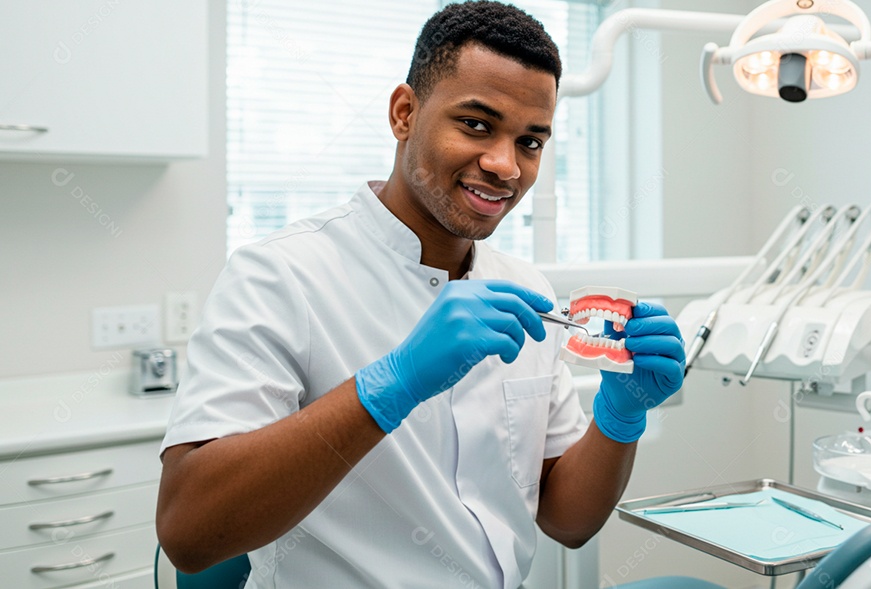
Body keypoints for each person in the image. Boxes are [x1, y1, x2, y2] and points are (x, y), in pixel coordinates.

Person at [156, 2, 685, 587]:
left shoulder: (528, 292)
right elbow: (190, 533)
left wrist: (620, 415)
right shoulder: (280, 275)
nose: (505, 165)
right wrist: (392, 384)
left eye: (530, 142)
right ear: (404, 112)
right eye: (477, 125)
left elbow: (567, 519)